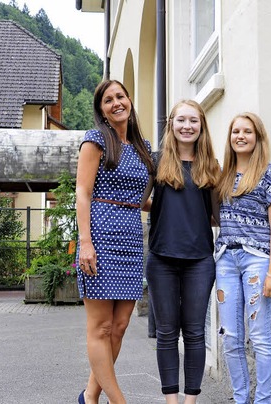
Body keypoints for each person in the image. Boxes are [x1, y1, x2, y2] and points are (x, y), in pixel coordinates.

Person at [75, 79, 154, 404]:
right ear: (103, 111)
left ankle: (90, 396)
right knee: (101, 327)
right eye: (108, 100)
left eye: (120, 96)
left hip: (132, 239)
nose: (116, 102)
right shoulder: (95, 141)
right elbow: (83, 191)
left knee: (120, 326)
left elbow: (142, 199)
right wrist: (85, 242)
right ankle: (117, 401)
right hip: (101, 235)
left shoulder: (143, 148)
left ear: (129, 100)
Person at [144, 100, 220, 404]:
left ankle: (191, 400)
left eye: (194, 121)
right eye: (181, 120)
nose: (187, 126)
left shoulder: (210, 166)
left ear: (201, 126)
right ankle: (171, 400)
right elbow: (139, 200)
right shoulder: (156, 161)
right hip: (161, 258)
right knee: (166, 333)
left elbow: (217, 215)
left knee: (194, 333)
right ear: (171, 125)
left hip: (199, 259)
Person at [214, 112, 271, 404]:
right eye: (235, 132)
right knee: (230, 339)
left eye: (247, 131)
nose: (240, 136)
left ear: (257, 137)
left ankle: (263, 401)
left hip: (257, 261)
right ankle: (240, 398)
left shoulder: (269, 174)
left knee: (259, 338)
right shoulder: (222, 175)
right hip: (225, 261)